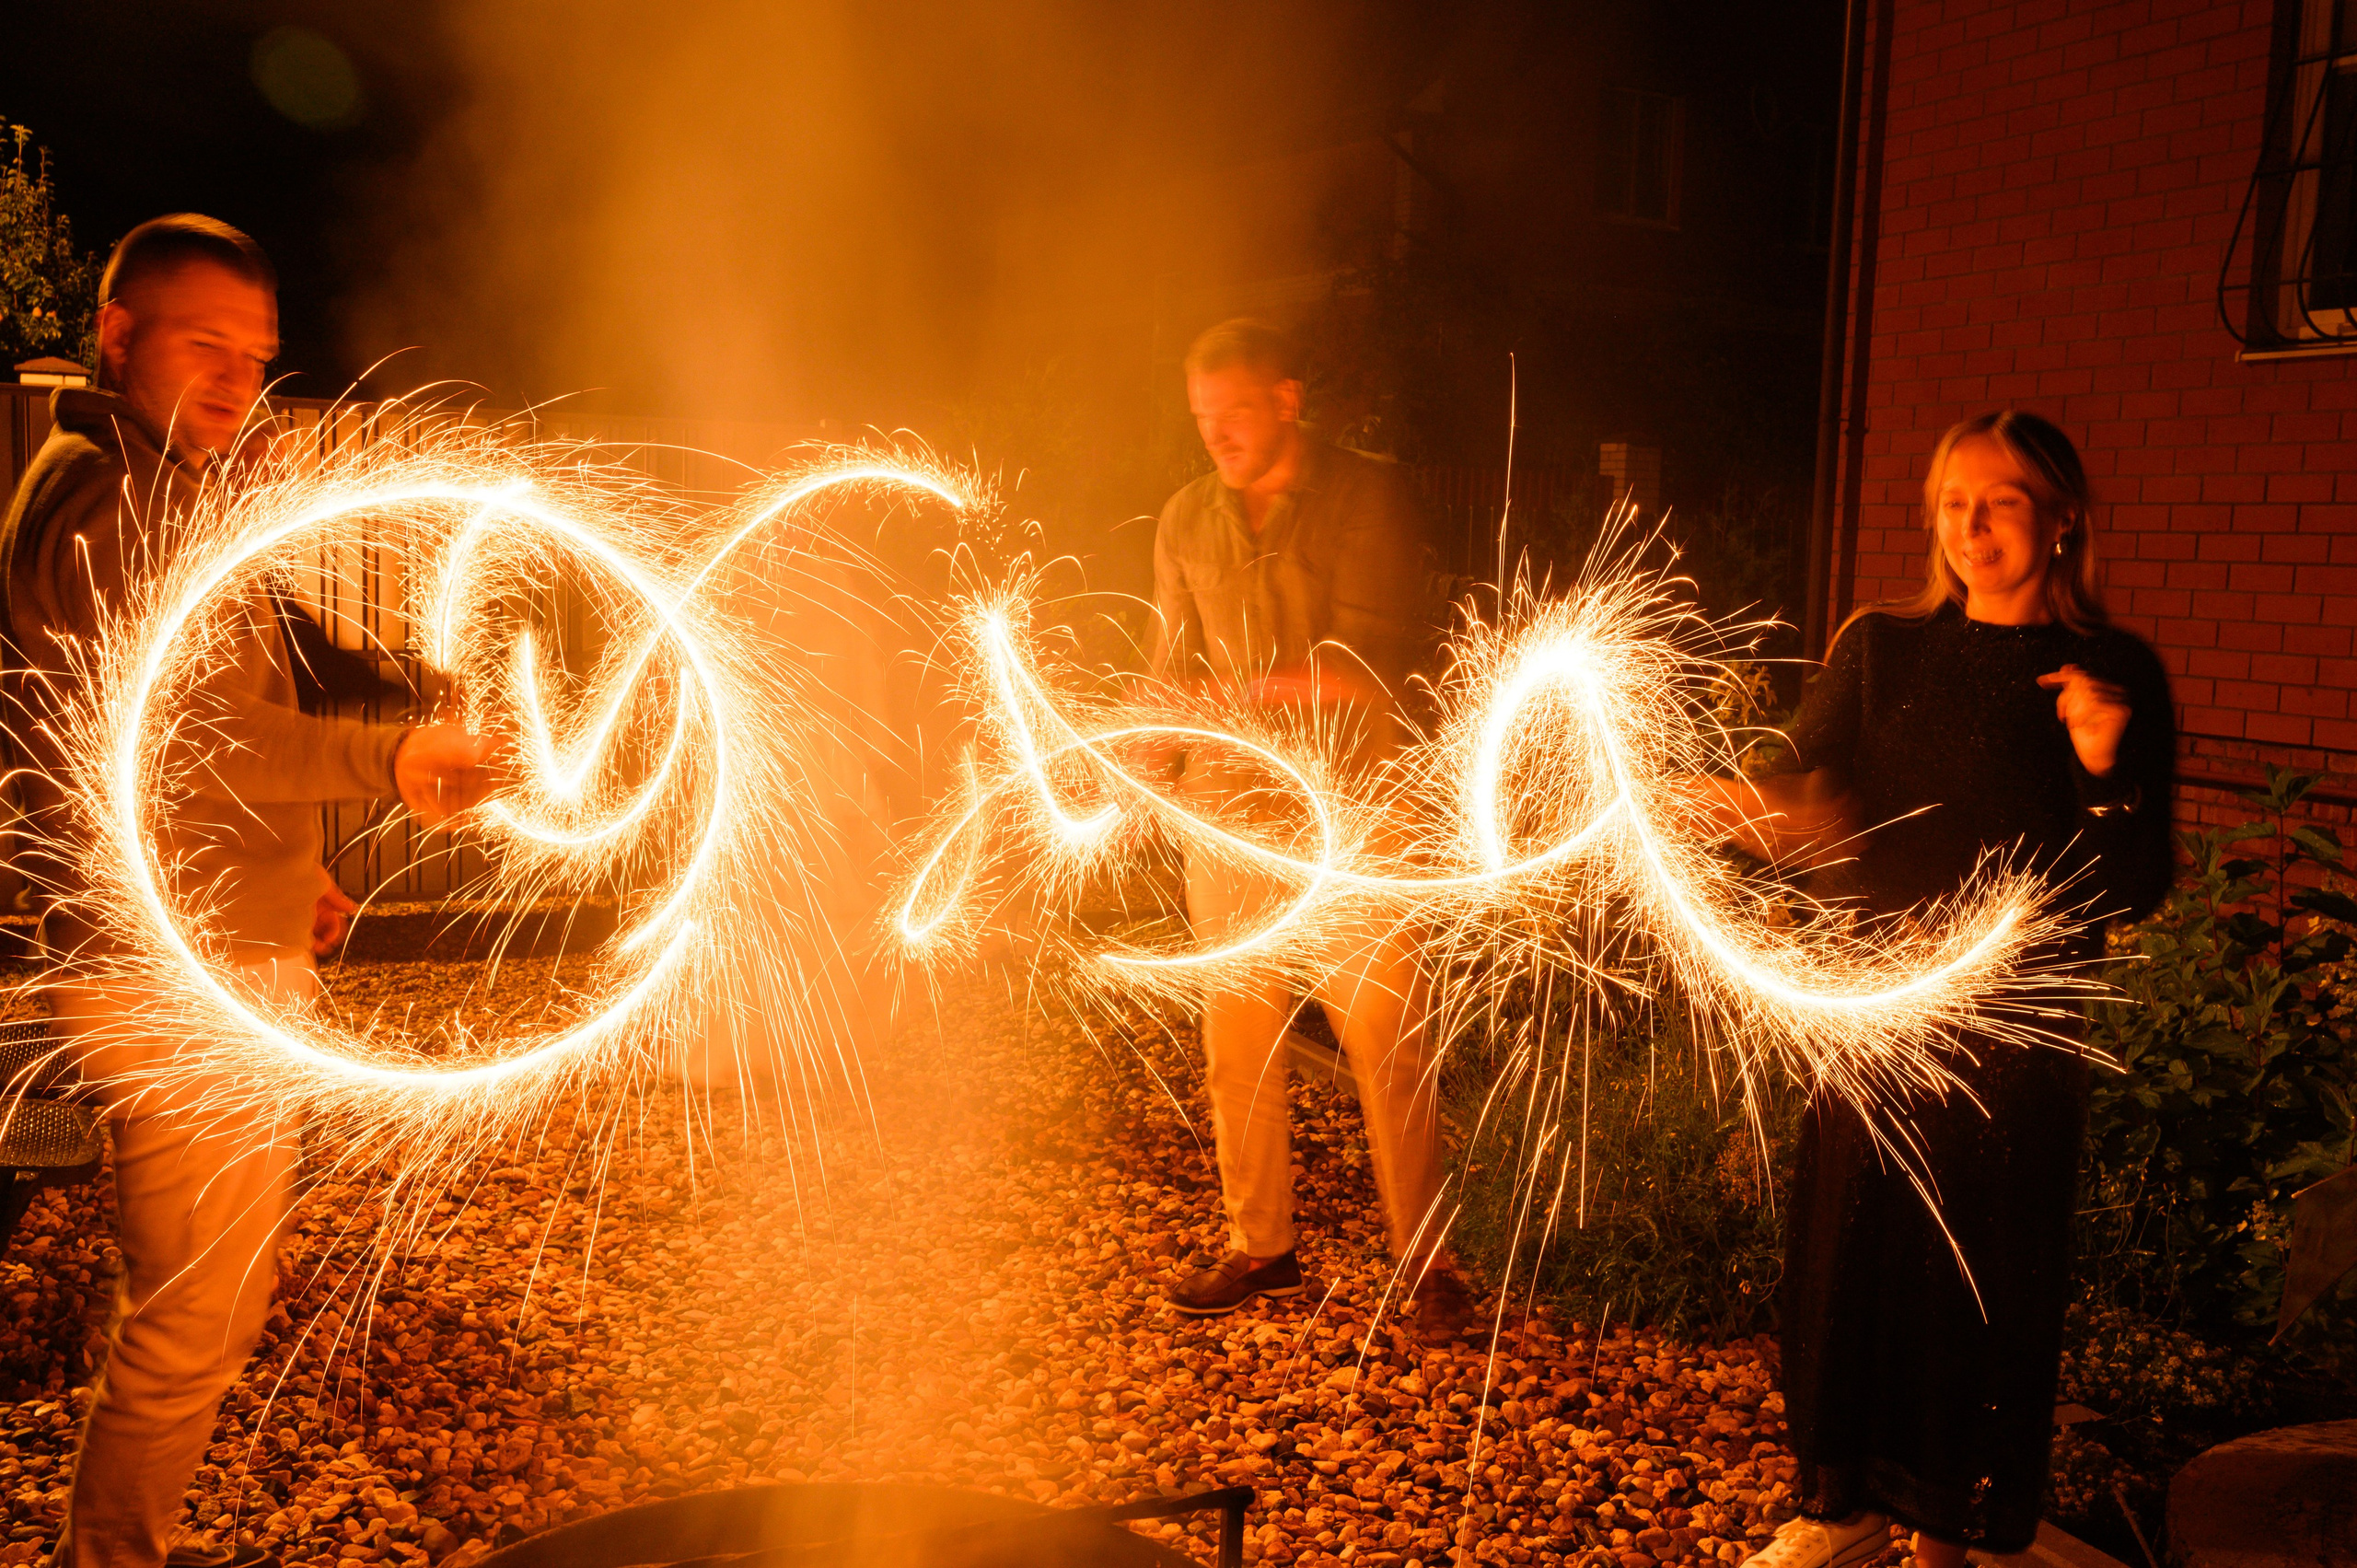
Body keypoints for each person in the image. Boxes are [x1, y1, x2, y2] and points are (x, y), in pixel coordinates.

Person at [0, 215, 499, 1568]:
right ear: (119, 335)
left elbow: (213, 706)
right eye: (203, 344)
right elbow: (194, 738)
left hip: (213, 943)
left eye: (256, 355)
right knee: (199, 1318)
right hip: (171, 976)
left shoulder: (162, 494)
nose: (237, 379)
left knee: (212, 1288)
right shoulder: (113, 506)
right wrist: (391, 755)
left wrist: (295, 870)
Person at [1690, 412, 2174, 1568]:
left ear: (2062, 517)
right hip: (1875, 1011)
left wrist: (2101, 768)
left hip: (2011, 1041)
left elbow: (2131, 882)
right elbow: (1812, 797)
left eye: (2001, 500)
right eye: (1954, 499)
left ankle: (1948, 1536)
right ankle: (1845, 1507)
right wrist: (1751, 813)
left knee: (1972, 1284)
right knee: (1848, 1263)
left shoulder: (2111, 673)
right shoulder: (1881, 647)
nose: (1971, 525)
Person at [1147, 319, 1471, 1339]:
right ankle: (1263, 1248)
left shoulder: (1364, 495)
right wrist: (1145, 745)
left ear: (1286, 400)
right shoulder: (1185, 518)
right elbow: (1170, 664)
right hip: (1230, 818)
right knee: (1237, 1044)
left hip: (1355, 813)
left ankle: (1430, 1262)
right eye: (1203, 417)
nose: (1217, 434)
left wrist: (1226, 697)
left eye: (1236, 412)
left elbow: (1362, 662)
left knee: (1388, 1038)